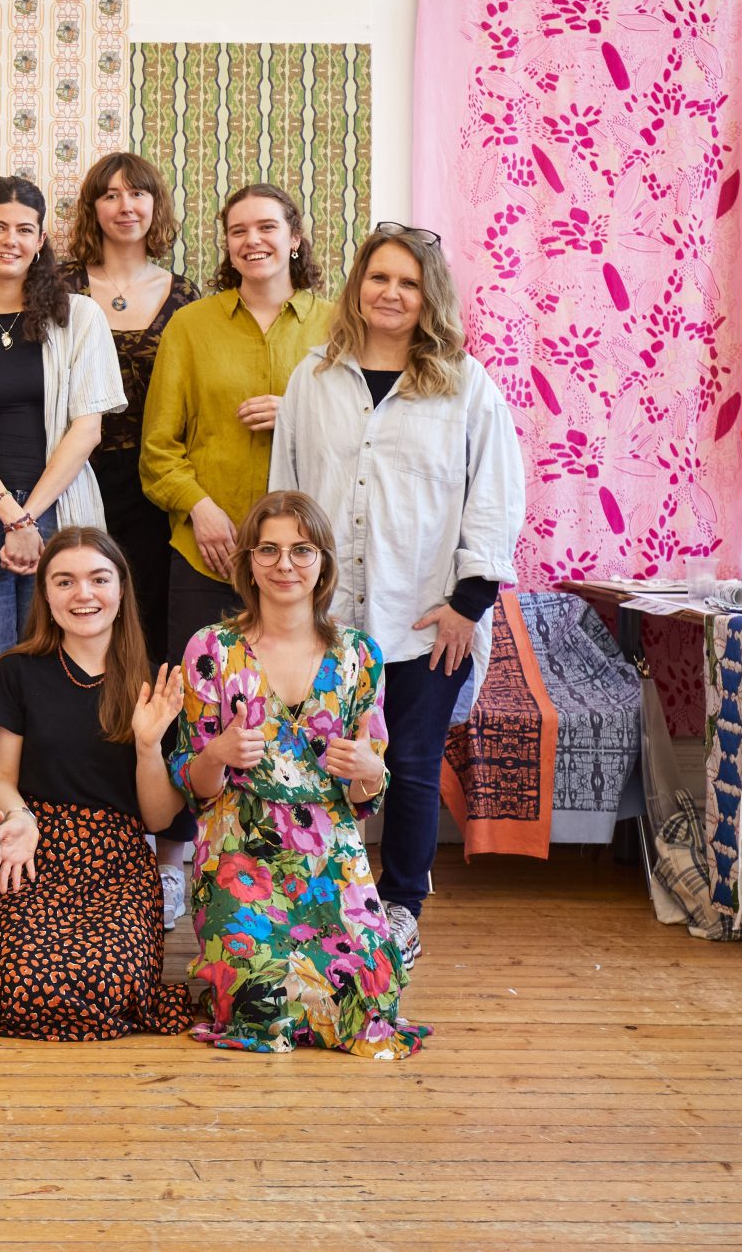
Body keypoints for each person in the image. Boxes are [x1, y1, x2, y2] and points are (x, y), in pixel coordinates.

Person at [270, 223, 524, 965]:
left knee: (409, 763)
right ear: (358, 286)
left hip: (424, 617)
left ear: (428, 296)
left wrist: (468, 603)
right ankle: (314, 893)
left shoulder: (465, 384)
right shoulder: (313, 377)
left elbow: (496, 499)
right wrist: (285, 592)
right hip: (324, 616)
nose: (391, 293)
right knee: (316, 755)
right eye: (379, 278)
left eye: (408, 283)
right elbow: (283, 486)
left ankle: (401, 903)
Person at [169, 492, 427, 1059]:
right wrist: (219, 753)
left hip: (329, 856)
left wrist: (368, 768)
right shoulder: (211, 649)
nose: (285, 564)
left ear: (324, 562)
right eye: (269, 549)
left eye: (301, 550)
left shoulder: (360, 655)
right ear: (249, 562)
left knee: (372, 996)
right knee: (264, 996)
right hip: (239, 852)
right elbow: (193, 782)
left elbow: (366, 794)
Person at [0, 527, 191, 1042]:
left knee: (109, 986)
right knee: (21, 983)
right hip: (33, 845)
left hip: (118, 858)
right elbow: (2, 779)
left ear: (121, 589)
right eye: (65, 582)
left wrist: (146, 746)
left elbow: (160, 820)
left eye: (98, 579)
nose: (83, 594)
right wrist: (21, 818)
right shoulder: (15, 671)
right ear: (46, 595)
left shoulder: (155, 680)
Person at [141, 183, 330, 663]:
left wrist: (295, 414)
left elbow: (365, 435)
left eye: (267, 227)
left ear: (294, 237)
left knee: (296, 706)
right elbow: (158, 449)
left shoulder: (337, 328)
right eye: (238, 231)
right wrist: (198, 508)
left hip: (303, 561)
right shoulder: (189, 326)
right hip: (208, 556)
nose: (253, 241)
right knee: (200, 702)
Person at [0, 176, 126, 661]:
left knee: (68, 662)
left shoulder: (80, 318)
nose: (11, 240)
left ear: (41, 240)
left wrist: (29, 517)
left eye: (25, 230)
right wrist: (9, 514)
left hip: (63, 515)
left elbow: (88, 430)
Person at [58, 153, 196, 665]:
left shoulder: (184, 296)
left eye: (137, 193)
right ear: (93, 209)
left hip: (153, 479)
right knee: (77, 607)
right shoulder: (59, 286)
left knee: (147, 609)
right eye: (110, 195)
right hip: (73, 472)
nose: (125, 206)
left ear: (154, 205)